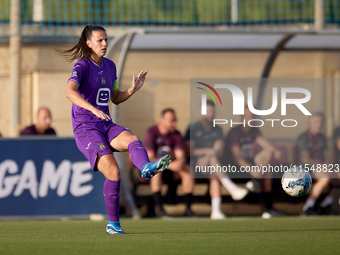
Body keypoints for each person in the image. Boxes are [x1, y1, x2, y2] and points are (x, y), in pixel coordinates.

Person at [59, 24, 171, 234]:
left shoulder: (110, 66)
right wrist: (92, 108)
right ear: (88, 43)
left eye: (106, 40)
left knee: (132, 138)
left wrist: (132, 90)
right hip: (86, 127)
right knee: (113, 171)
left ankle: (145, 168)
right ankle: (114, 224)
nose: (104, 43)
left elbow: (115, 98)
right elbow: (69, 92)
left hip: (105, 123)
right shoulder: (81, 66)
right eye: (99, 40)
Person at [184, 100, 248, 220]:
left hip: (212, 165)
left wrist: (207, 156)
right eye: (208, 111)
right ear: (201, 112)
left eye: (212, 111)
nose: (211, 114)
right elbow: (190, 152)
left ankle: (216, 212)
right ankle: (231, 188)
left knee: (214, 173)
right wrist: (208, 152)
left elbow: (219, 150)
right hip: (194, 166)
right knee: (213, 161)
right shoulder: (192, 128)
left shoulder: (218, 129)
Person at [226, 105, 284, 219]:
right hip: (236, 168)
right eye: (247, 115)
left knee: (267, 170)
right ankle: (256, 184)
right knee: (261, 171)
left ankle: (268, 209)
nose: (250, 118)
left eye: (252, 116)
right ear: (242, 116)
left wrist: (275, 151)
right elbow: (237, 158)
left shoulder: (255, 131)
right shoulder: (234, 132)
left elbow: (265, 144)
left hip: (253, 168)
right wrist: (251, 169)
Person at [143, 109, 195, 217]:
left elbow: (181, 156)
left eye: (175, 120)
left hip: (172, 170)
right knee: (157, 171)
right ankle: (160, 210)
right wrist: (169, 165)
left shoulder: (176, 134)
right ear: (162, 120)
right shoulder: (151, 132)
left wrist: (180, 163)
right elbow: (151, 158)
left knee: (188, 171)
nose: (174, 124)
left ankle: (188, 209)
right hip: (155, 169)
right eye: (172, 121)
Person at [296, 113, 331, 215]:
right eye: (316, 122)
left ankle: (327, 202)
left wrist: (328, 166)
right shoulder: (303, 137)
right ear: (310, 124)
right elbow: (306, 160)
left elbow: (327, 156)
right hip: (306, 169)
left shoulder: (322, 138)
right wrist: (322, 166)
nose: (319, 125)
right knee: (325, 178)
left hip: (321, 168)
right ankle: (308, 206)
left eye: (321, 122)